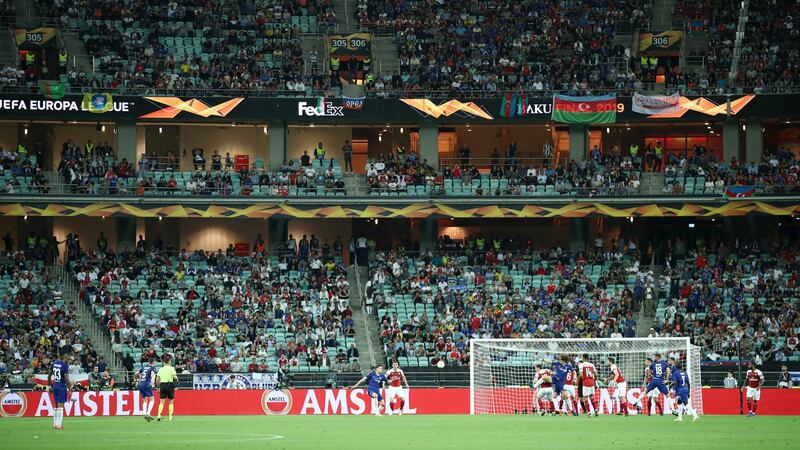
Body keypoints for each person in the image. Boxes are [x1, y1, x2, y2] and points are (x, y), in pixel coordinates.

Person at [49, 352, 71, 430]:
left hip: (55, 386)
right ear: (64, 356)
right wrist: (70, 388)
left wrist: (49, 386)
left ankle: (55, 424)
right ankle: (59, 425)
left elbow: (49, 375)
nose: (68, 357)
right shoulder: (65, 365)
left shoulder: (54, 364)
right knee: (60, 407)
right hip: (62, 387)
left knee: (56, 406)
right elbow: (66, 378)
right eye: (67, 356)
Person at [156, 354, 179, 421]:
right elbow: (175, 377)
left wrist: (158, 386)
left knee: (161, 401)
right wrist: (177, 381)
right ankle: (170, 416)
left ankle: (159, 415)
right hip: (169, 384)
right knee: (171, 401)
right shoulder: (171, 368)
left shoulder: (161, 369)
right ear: (169, 361)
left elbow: (157, 379)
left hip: (162, 385)